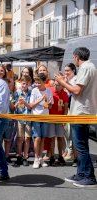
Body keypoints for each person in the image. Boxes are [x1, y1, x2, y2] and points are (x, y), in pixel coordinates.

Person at [55, 47, 97, 187]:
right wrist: (66, 82)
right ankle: (81, 174)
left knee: (81, 146)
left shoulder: (86, 67)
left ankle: (89, 176)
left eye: (74, 58)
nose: (74, 60)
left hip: (81, 113)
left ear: (76, 57)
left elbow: (77, 91)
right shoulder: (90, 67)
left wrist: (61, 82)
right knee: (80, 146)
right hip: (82, 111)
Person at [29, 73, 53, 169]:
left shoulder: (48, 91)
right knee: (37, 138)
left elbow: (49, 106)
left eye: (39, 82)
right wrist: (40, 100)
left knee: (43, 138)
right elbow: (31, 105)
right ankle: (36, 158)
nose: (37, 84)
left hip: (45, 117)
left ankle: (41, 158)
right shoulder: (34, 91)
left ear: (44, 82)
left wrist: (47, 101)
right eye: (36, 82)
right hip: (36, 117)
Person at [48, 81, 69, 166]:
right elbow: (46, 104)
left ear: (62, 85)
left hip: (60, 118)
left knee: (60, 138)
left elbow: (66, 108)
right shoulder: (50, 90)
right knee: (52, 138)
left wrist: (64, 119)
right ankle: (52, 157)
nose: (56, 86)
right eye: (55, 84)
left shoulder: (64, 94)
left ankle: (60, 156)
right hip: (50, 118)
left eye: (58, 85)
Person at [13, 75, 32, 166]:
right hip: (19, 118)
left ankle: (25, 156)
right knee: (20, 138)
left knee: (27, 138)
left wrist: (25, 103)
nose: (24, 85)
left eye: (26, 84)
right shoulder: (17, 92)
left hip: (28, 117)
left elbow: (31, 106)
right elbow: (13, 106)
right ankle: (19, 156)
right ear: (21, 83)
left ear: (29, 84)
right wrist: (18, 102)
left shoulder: (31, 92)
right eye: (23, 83)